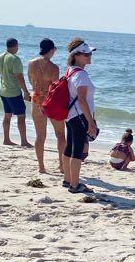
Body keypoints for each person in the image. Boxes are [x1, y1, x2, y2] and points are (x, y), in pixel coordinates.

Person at [62, 39, 99, 193]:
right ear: (76, 55)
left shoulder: (70, 71)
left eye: (90, 53)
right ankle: (75, 185)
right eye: (86, 54)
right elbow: (82, 99)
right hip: (79, 115)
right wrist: (91, 122)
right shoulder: (81, 74)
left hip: (70, 115)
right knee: (77, 150)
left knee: (69, 147)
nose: (89, 56)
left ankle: (67, 180)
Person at [28, 38, 66, 173]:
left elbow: (30, 81)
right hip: (49, 101)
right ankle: (61, 165)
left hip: (36, 98)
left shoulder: (31, 63)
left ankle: (41, 167)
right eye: (54, 49)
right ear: (51, 50)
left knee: (40, 135)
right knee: (60, 134)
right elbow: (54, 88)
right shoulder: (54, 68)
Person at [0, 38, 32, 147]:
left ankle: (6, 139)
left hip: (3, 91)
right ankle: (24, 141)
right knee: (21, 116)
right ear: (16, 46)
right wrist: (26, 92)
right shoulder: (15, 59)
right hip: (13, 92)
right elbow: (19, 76)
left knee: (7, 115)